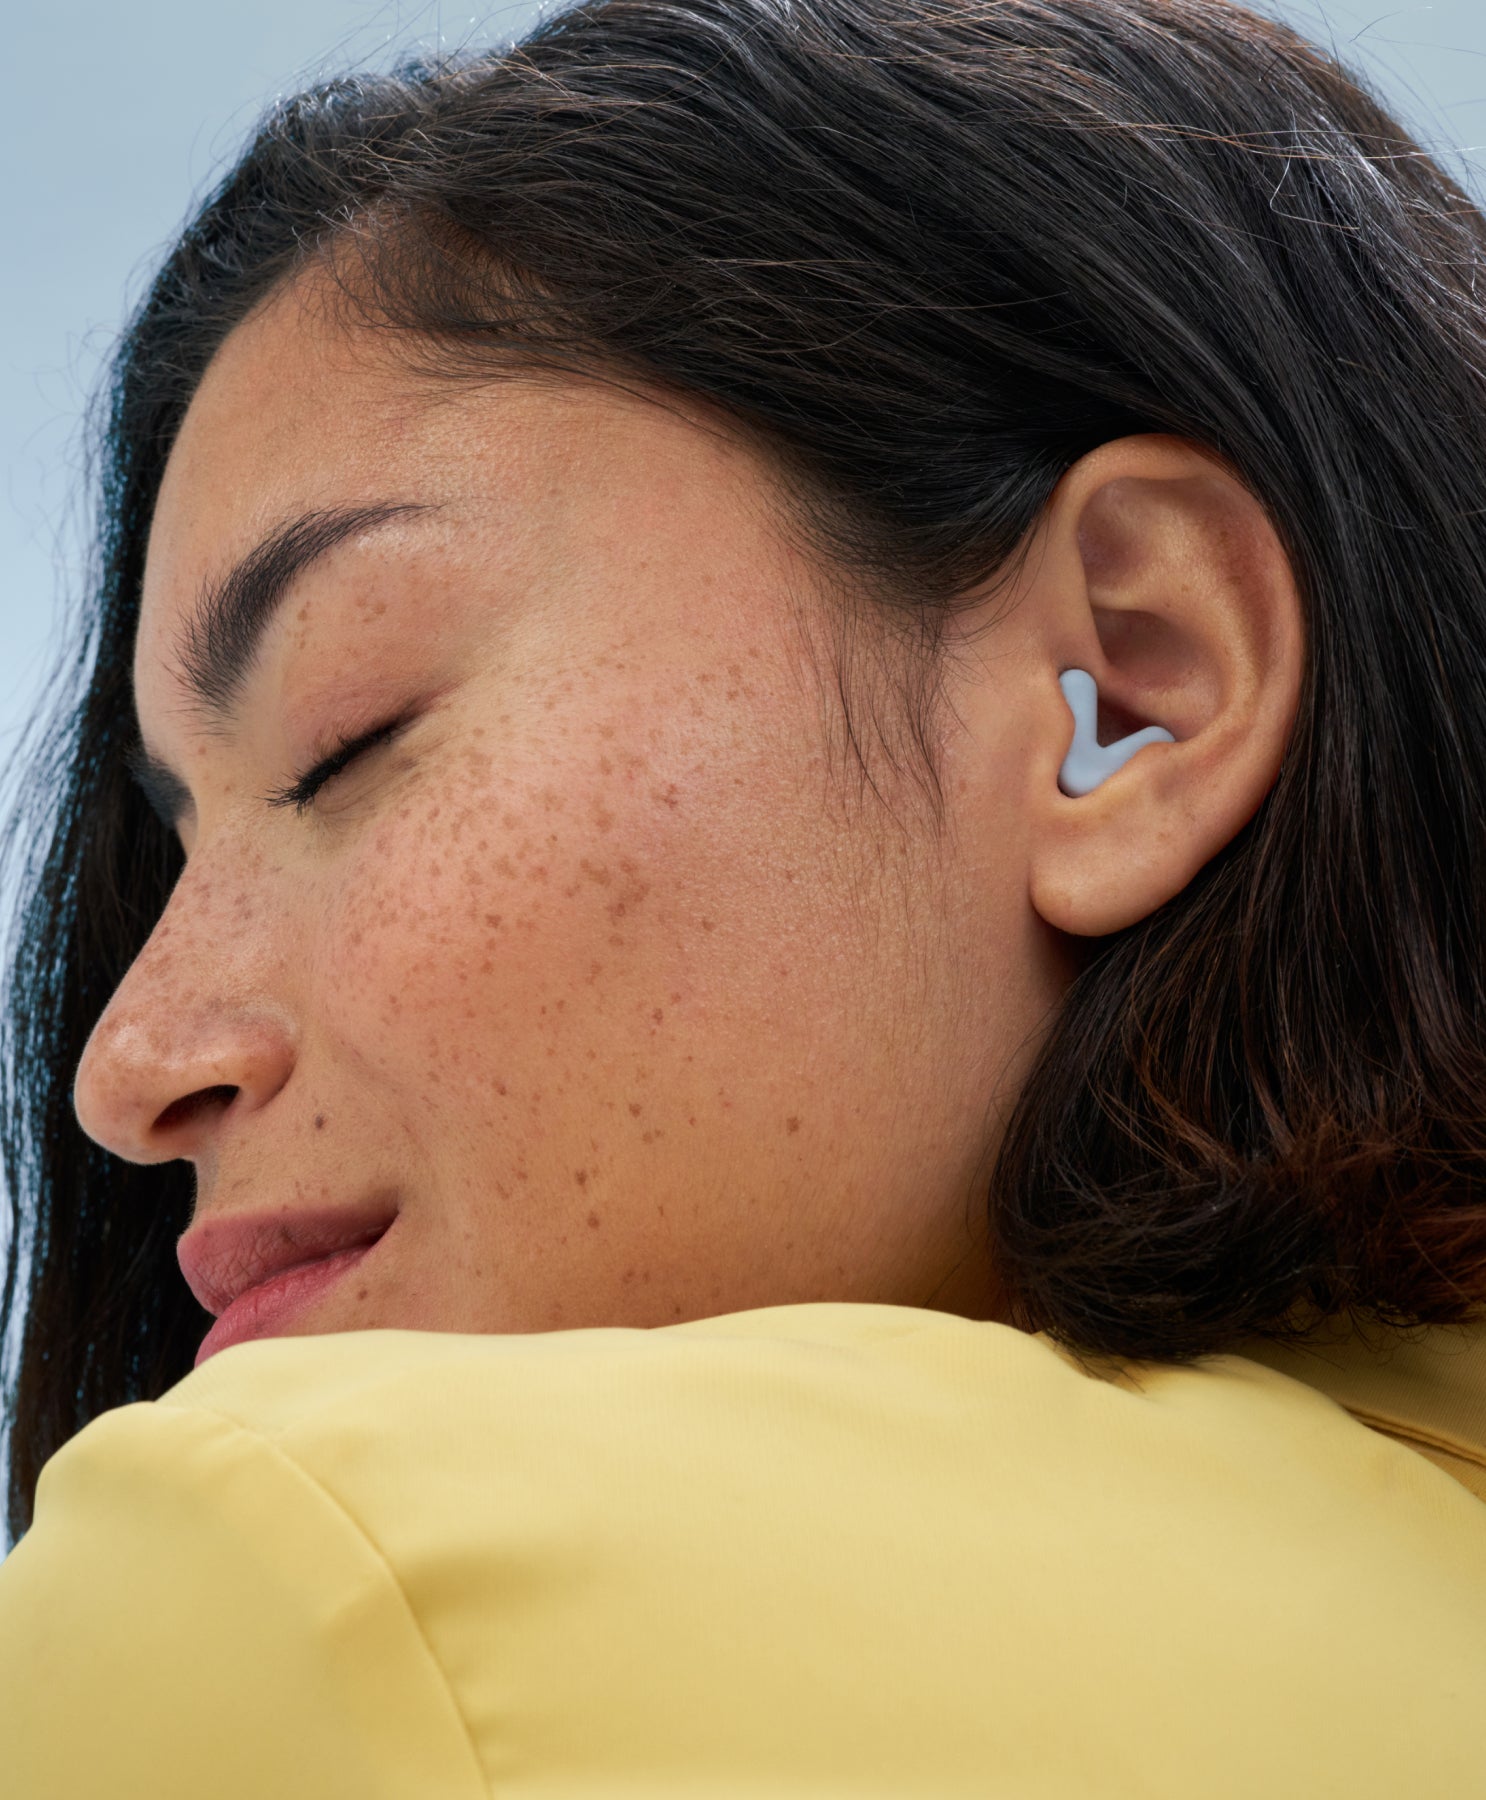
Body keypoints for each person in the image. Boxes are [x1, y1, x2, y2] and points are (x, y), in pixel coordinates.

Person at [1, 0, 1483, 1790]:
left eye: (348, 736)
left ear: (1133, 686)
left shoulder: (309, 1580)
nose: (128, 1063)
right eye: (169, 852)